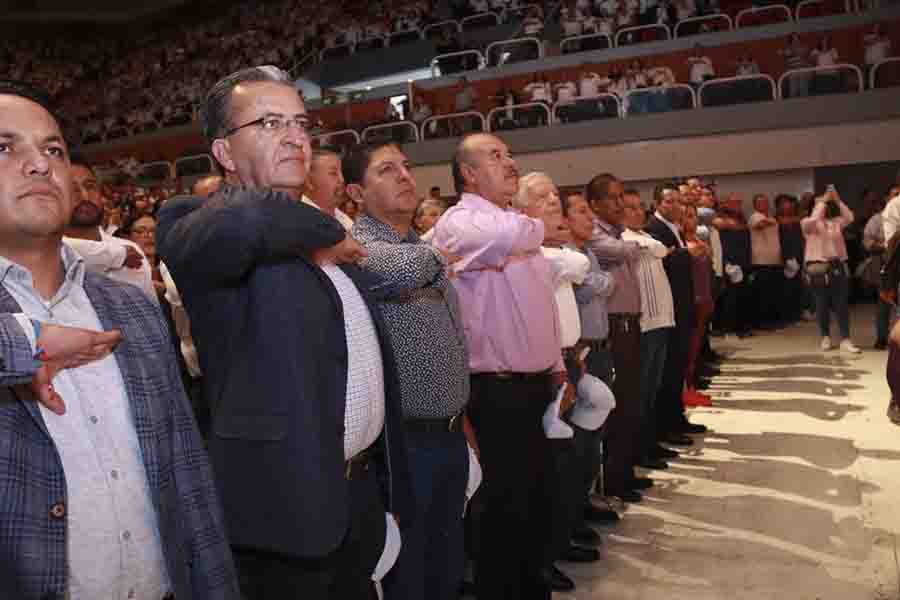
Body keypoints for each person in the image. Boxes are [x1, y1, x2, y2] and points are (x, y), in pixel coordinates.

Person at [156, 66, 414, 599]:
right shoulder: (195, 220)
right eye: (270, 123)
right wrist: (324, 226)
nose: (296, 136)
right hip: (285, 513)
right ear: (224, 153)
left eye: (300, 123)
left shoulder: (322, 230)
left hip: (357, 492)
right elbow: (255, 224)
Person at [0, 79, 240, 600]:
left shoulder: (130, 308)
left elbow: (187, 476)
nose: (40, 164)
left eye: (53, 149)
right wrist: (27, 343)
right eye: (5, 147)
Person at [432, 132, 566, 600]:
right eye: (495, 157)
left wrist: (556, 361)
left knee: (532, 499)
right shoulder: (459, 221)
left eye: (509, 155)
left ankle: (530, 587)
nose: (509, 164)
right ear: (468, 174)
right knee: (502, 508)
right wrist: (532, 227)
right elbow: (511, 236)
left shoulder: (511, 219)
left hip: (531, 385)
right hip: (496, 389)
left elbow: (541, 301)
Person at [346, 142, 474, 600]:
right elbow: (404, 271)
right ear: (355, 192)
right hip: (404, 446)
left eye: (406, 166)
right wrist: (439, 256)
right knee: (410, 575)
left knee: (446, 566)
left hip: (450, 434)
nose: (404, 176)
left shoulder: (418, 247)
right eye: (386, 170)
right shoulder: (356, 249)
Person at [584, 173, 651, 503]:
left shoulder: (614, 233)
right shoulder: (597, 236)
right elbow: (622, 251)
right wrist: (633, 245)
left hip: (629, 324)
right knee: (618, 405)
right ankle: (614, 478)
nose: (620, 203)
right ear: (594, 204)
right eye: (613, 197)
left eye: (622, 195)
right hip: (613, 326)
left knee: (630, 403)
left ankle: (624, 471)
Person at [645, 185, 710, 434]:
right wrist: (686, 253)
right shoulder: (654, 229)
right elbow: (664, 262)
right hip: (668, 307)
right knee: (669, 371)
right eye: (669, 201)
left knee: (678, 366)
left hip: (683, 305)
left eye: (678, 202)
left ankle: (677, 418)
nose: (676, 206)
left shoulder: (675, 228)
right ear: (658, 204)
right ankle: (668, 424)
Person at [620, 190, 678, 466]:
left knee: (653, 388)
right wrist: (652, 246)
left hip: (661, 320)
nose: (637, 212)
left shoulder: (643, 238)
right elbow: (660, 250)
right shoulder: (624, 239)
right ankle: (640, 451)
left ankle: (651, 443)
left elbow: (661, 249)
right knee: (641, 393)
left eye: (639, 207)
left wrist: (653, 246)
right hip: (644, 324)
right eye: (629, 208)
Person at [63, 156, 157, 302]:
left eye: (90, 186)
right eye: (72, 189)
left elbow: (153, 315)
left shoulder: (132, 250)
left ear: (101, 194)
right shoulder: (48, 257)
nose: (84, 196)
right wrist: (120, 255)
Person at [801, 189, 861, 353]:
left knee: (841, 303)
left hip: (836, 265)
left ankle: (845, 339)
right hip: (818, 266)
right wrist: (821, 201)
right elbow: (813, 220)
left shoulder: (835, 222)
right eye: (821, 204)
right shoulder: (808, 223)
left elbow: (850, 217)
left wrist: (838, 200)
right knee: (821, 303)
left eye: (826, 204)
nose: (825, 206)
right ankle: (825, 336)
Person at [748, 194, 784, 330]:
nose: (764, 204)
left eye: (765, 202)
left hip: (774, 259)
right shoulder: (755, 216)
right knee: (763, 294)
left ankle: (772, 320)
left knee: (772, 293)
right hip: (761, 261)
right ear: (755, 205)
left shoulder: (771, 218)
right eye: (760, 202)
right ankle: (763, 322)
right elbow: (760, 225)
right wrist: (775, 220)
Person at [302, 146, 355, 231]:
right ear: (309, 181)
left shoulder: (341, 217)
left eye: (341, 173)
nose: (342, 180)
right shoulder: (300, 220)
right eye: (333, 173)